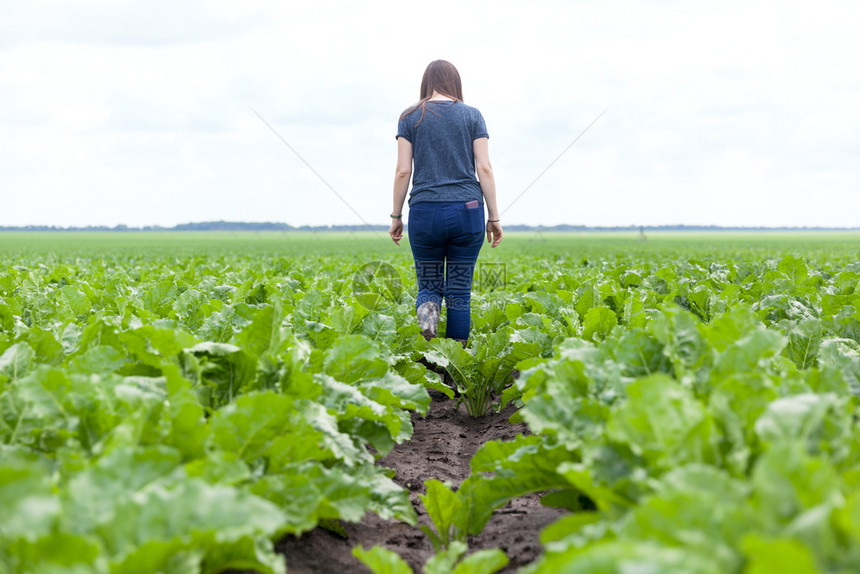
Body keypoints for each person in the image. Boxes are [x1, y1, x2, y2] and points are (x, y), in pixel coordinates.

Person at [388, 60, 503, 346]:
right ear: (455, 83)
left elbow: (403, 170)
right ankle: (455, 368)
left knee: (428, 284)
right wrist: (494, 217)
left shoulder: (410, 116)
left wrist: (396, 215)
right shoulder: (473, 115)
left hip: (425, 211)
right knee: (459, 292)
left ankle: (429, 333)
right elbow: (484, 168)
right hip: (468, 211)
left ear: (427, 83)